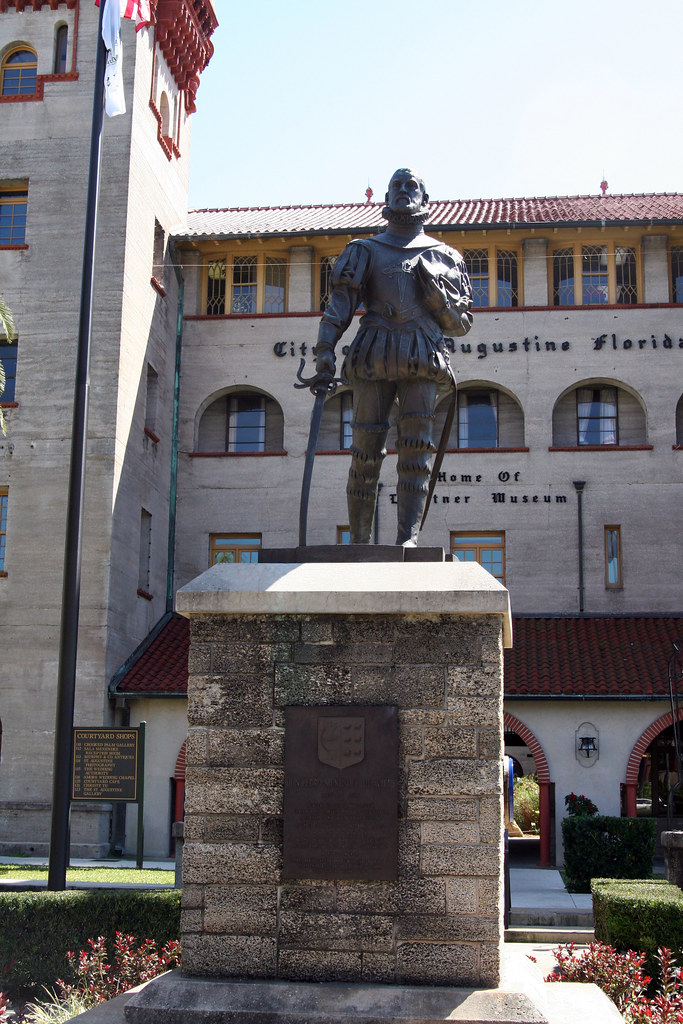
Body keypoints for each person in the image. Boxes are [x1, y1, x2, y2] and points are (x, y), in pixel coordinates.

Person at [314, 168, 473, 545]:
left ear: (424, 199)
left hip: (422, 354)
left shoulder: (445, 256)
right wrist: (324, 350)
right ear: (387, 197)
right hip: (374, 354)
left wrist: (439, 303)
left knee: (416, 452)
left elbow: (462, 323)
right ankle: (359, 542)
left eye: (411, 186)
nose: (403, 192)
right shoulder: (363, 250)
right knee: (365, 452)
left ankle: (408, 539)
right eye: (396, 186)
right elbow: (339, 306)